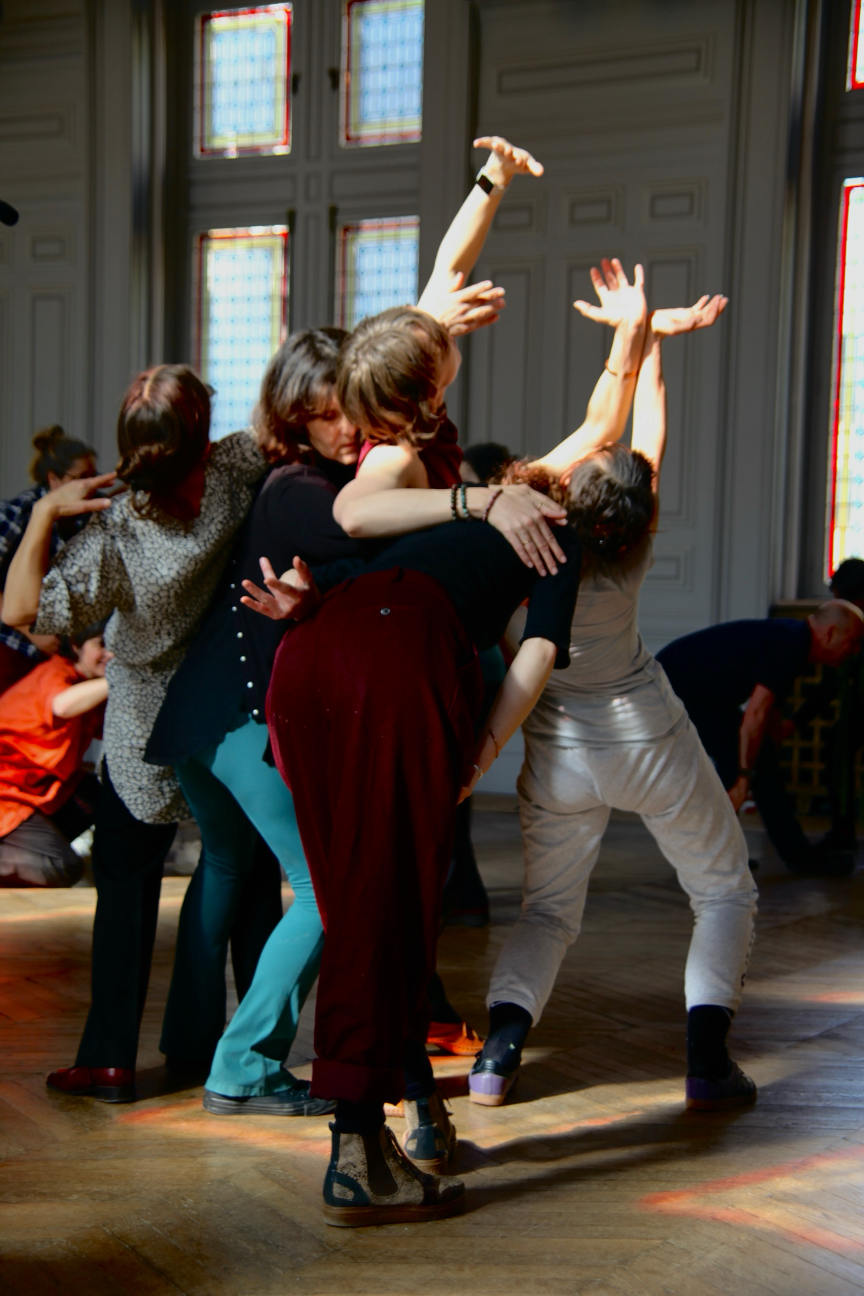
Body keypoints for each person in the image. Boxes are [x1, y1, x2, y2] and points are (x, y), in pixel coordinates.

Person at [238, 256, 655, 1226]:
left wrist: (633, 344)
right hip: (389, 670)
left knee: (365, 905)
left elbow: (601, 422)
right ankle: (353, 1141)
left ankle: (404, 1112)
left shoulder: (468, 505)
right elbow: (539, 652)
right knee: (389, 906)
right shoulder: (543, 520)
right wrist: (480, 752)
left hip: (314, 660)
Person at [142, 134, 558, 1105]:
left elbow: (443, 273)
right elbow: (359, 524)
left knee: (252, 889)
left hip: (233, 718)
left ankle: (220, 1056)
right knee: (330, 890)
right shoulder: (327, 481)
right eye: (325, 412)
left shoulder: (389, 414)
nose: (342, 423)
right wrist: (481, 504)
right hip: (240, 718)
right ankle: (242, 1069)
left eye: (347, 408)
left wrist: (491, 180)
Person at [469, 284, 762, 1116]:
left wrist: (640, 334)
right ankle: (707, 1062)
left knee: (548, 913)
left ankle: (496, 1058)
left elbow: (617, 439)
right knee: (724, 890)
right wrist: (655, 340)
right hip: (649, 740)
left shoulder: (521, 542)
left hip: (557, 754)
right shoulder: (628, 545)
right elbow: (650, 439)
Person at [2, 364, 271, 1102]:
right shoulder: (234, 472)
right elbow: (286, 418)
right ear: (201, 433)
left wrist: (44, 514)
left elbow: (22, 611)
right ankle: (247, 1052)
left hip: (144, 730)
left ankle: (110, 1060)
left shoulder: (116, 536)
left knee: (125, 890)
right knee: (242, 875)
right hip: (224, 707)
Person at [657, 602, 864, 875]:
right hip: (677, 688)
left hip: (691, 688)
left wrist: (772, 744)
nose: (855, 651)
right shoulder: (790, 644)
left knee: (759, 759)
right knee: (747, 762)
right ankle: (786, 856)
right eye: (853, 642)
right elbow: (755, 714)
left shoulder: (795, 639)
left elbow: (771, 712)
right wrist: (744, 777)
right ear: (830, 634)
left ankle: (716, 853)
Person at [0, 623, 110, 887]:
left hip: (35, 791)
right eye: (102, 644)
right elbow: (62, 704)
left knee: (98, 795)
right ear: (76, 646)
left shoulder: (90, 684)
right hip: (7, 793)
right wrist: (119, 678)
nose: (111, 655)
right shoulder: (56, 671)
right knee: (61, 867)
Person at [0, 426, 97, 696]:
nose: (88, 485)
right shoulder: (18, 513)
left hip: (58, 655)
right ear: (54, 479)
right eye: (81, 478)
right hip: (13, 647)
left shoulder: (86, 515)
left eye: (93, 477)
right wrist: (30, 631)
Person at [792, 558, 864, 863]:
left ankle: (843, 833)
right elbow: (832, 683)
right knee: (838, 743)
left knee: (840, 745)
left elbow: (831, 685)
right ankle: (842, 830)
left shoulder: (852, 626)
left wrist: (795, 722)